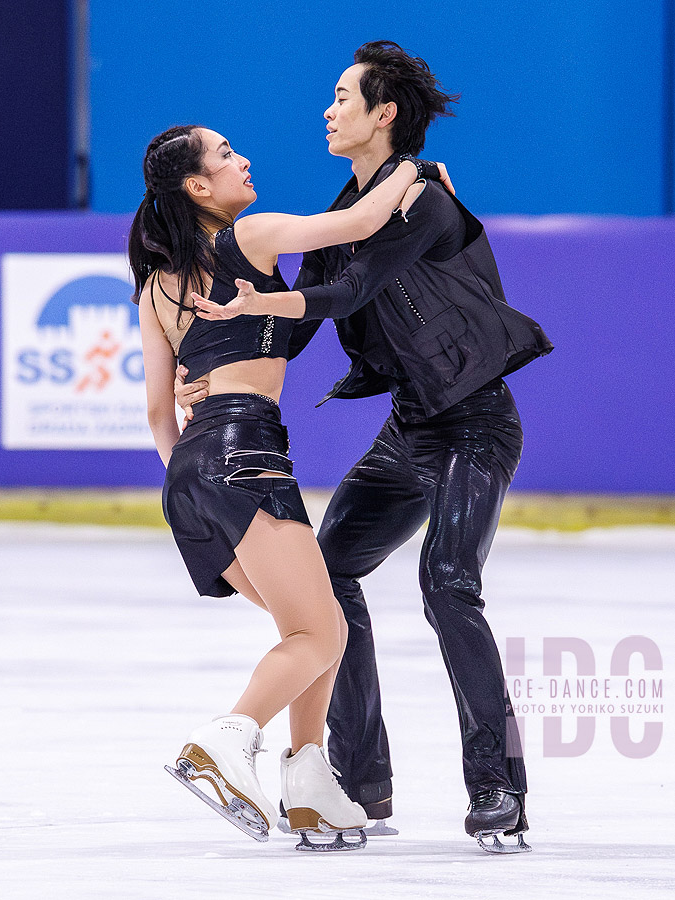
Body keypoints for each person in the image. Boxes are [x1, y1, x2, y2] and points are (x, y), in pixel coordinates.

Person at [177, 42, 553, 853]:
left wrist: (272, 295)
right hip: (409, 430)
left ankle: (497, 786)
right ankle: (356, 777)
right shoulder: (343, 213)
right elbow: (299, 324)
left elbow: (349, 290)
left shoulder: (422, 200)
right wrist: (221, 376)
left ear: (383, 115)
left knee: (447, 582)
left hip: (474, 423)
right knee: (329, 573)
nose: (328, 109)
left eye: (343, 96)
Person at [129, 123, 450, 849]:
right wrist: (413, 168)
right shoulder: (251, 236)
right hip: (246, 453)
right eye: (223, 155)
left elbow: (157, 411)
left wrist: (194, 477)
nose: (243, 158)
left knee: (309, 627)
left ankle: (308, 778)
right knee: (320, 628)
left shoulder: (154, 286)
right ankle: (228, 736)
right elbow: (362, 223)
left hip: (192, 468)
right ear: (197, 188)